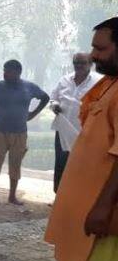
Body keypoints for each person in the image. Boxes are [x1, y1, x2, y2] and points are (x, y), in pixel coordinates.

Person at [45, 17, 118, 261]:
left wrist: (103, 206)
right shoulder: (109, 87)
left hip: (102, 216)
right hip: (84, 210)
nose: (93, 54)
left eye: (101, 48)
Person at [0, 60, 49, 205]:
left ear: (18, 72)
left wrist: (33, 114)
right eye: (4, 70)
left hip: (20, 132)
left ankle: (12, 196)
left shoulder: (29, 87)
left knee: (16, 164)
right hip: (0, 131)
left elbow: (45, 98)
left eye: (8, 71)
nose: (5, 73)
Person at [49, 53, 98, 192]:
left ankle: (76, 198)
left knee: (81, 165)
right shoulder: (65, 80)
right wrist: (55, 105)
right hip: (63, 130)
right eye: (76, 62)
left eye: (82, 63)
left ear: (90, 64)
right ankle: (58, 196)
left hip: (85, 132)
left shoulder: (99, 82)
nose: (78, 66)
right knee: (61, 163)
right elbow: (53, 98)